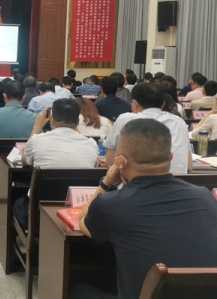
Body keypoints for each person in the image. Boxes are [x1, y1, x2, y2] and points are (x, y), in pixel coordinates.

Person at [77, 119, 217, 299]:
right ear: (171, 157)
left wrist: (106, 184)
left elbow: (83, 220)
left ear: (121, 163)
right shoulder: (204, 197)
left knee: (77, 289)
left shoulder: (111, 205)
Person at [13, 99, 98, 227]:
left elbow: (25, 160)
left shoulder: (37, 140)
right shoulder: (91, 144)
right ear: (77, 122)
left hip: (38, 213)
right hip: (77, 213)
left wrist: (37, 127)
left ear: (51, 119)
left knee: (16, 201)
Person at [103, 83, 192, 174]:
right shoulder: (179, 122)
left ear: (134, 103)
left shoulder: (124, 119)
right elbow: (189, 166)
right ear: (163, 104)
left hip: (133, 182)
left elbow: (110, 162)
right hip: (177, 181)